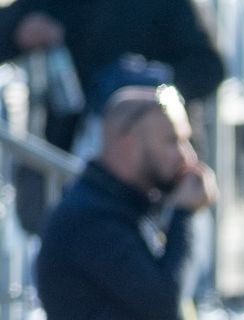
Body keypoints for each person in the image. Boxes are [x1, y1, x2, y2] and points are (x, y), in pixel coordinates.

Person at [0, 0, 224, 232]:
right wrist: (18, 30)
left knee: (160, 244)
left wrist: (157, 91)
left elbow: (209, 67)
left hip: (160, 177)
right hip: (76, 165)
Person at [37, 85, 216, 320]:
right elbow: (161, 300)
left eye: (187, 141)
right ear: (128, 142)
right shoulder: (88, 218)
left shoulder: (134, 208)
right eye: (173, 141)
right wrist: (184, 213)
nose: (188, 158)